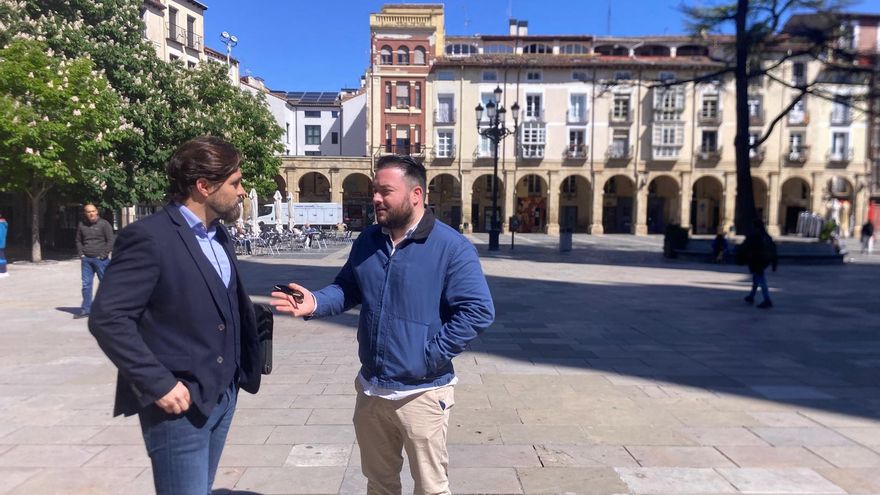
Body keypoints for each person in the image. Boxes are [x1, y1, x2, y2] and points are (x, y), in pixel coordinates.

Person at [270, 154, 494, 495]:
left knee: (431, 488)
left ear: (415, 195)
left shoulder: (452, 248)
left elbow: (478, 310)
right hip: (372, 390)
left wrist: (427, 355)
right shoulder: (368, 240)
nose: (375, 198)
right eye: (375, 190)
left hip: (422, 393)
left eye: (385, 191)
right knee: (379, 484)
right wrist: (315, 302)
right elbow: (348, 287)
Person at [88, 137, 263, 495]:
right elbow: (108, 317)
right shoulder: (149, 237)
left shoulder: (219, 236)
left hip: (222, 392)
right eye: (235, 183)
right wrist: (158, 383)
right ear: (203, 186)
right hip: (178, 402)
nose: (242, 192)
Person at [74, 204, 115, 319]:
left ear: (97, 211)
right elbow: (78, 240)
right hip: (86, 260)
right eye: (88, 212)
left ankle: (109, 309)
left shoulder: (104, 224)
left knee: (106, 285)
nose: (91, 213)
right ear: (85, 213)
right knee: (86, 285)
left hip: (101, 260)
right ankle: (86, 309)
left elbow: (110, 240)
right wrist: (81, 254)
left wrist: (103, 255)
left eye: (93, 211)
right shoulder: (82, 225)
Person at [741, 219, 778, 309]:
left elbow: (746, 246)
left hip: (757, 261)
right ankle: (751, 296)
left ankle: (767, 300)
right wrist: (774, 263)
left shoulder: (754, 236)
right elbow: (773, 250)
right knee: (756, 279)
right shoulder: (766, 236)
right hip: (765, 261)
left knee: (761, 280)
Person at [0, 211, 8, 278]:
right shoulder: (4, 223)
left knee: (1, 257)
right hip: (2, 243)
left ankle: (2, 272)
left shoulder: (1, 224)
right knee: (2, 256)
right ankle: (4, 271)